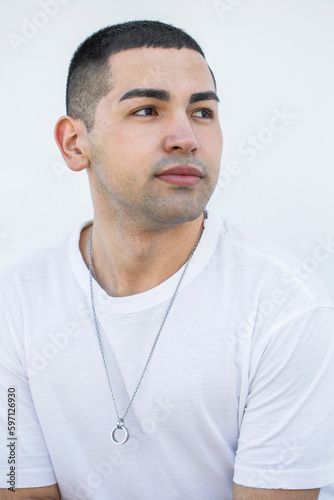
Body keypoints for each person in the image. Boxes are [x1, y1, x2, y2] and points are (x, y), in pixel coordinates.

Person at [0, 20, 333, 500]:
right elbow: (18, 485)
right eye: (147, 109)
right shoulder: (16, 302)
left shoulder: (286, 309)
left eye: (202, 112)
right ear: (75, 144)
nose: (185, 138)